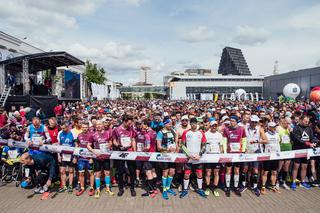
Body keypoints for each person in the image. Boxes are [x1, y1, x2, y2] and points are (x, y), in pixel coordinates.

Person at [180, 117, 207, 198]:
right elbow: (182, 145)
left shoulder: (201, 133)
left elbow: (204, 145)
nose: (193, 125)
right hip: (189, 158)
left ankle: (200, 189)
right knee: (186, 174)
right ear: (190, 124)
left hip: (198, 158)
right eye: (191, 123)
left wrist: (200, 154)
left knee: (199, 174)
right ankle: (185, 189)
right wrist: (188, 154)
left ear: (197, 124)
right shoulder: (186, 132)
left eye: (195, 123)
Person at [241, 115, 267, 196]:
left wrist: (257, 141)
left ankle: (255, 187)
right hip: (246, 150)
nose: (254, 123)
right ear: (250, 121)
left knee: (255, 170)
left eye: (256, 122)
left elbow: (266, 140)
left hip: (256, 150)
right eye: (253, 122)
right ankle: (243, 185)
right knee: (245, 168)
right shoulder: (244, 127)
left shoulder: (260, 129)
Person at [87, 120, 114, 198]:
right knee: (97, 174)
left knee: (107, 173)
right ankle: (98, 189)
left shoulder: (108, 133)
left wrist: (109, 145)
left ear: (103, 125)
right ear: (95, 126)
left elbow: (110, 142)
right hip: (97, 157)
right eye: (97, 125)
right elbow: (88, 145)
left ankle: (108, 188)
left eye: (100, 124)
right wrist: (93, 151)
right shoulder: (93, 135)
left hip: (106, 156)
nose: (98, 126)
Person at [113, 114, 137, 197]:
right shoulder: (116, 129)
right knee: (120, 171)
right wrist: (118, 146)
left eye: (131, 123)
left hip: (130, 152)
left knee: (132, 171)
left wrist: (134, 151)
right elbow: (114, 141)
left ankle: (132, 188)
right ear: (124, 121)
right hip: (121, 152)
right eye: (129, 123)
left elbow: (133, 139)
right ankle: (121, 189)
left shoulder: (131, 129)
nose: (130, 125)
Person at [291, 116, 317, 190]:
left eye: (308, 121)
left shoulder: (309, 128)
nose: (307, 123)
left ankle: (303, 181)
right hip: (298, 150)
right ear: (301, 120)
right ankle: (293, 182)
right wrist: (307, 143)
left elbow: (312, 137)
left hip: (307, 151)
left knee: (304, 166)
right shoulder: (296, 128)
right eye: (305, 121)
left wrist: (314, 142)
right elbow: (297, 139)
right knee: (296, 166)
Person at [222, 115, 246, 197]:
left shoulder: (241, 129)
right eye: (230, 120)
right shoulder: (226, 129)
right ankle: (227, 188)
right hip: (229, 153)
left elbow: (244, 139)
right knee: (228, 170)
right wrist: (225, 152)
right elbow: (224, 141)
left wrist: (243, 150)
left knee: (236, 170)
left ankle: (236, 188)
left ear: (236, 121)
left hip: (238, 153)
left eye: (232, 121)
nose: (231, 122)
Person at [156, 118, 178, 200]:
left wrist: (176, 149)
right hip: (164, 155)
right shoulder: (160, 133)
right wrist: (167, 149)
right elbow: (158, 147)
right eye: (169, 124)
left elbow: (175, 142)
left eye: (171, 124)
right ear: (165, 124)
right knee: (165, 172)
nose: (171, 125)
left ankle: (168, 188)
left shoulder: (172, 131)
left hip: (172, 155)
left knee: (172, 172)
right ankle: (164, 189)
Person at [204, 120, 223, 197]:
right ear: (210, 126)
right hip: (208, 156)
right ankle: (208, 188)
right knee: (208, 173)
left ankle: (215, 188)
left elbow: (221, 146)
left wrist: (221, 156)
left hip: (216, 156)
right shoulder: (206, 134)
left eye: (215, 125)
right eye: (213, 125)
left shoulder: (219, 135)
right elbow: (203, 145)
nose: (214, 127)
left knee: (216, 173)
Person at [261, 122, 281, 194]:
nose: (274, 128)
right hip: (267, 156)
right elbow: (261, 144)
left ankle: (273, 186)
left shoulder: (277, 134)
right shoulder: (265, 134)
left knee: (274, 172)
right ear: (268, 127)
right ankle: (263, 187)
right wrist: (263, 153)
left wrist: (279, 153)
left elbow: (278, 143)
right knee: (265, 172)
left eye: (274, 126)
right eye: (272, 127)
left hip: (275, 156)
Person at [76, 122, 94, 196]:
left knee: (91, 173)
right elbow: (77, 144)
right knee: (81, 173)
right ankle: (82, 187)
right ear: (81, 127)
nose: (84, 128)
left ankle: (91, 187)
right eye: (83, 127)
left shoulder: (91, 135)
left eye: (86, 127)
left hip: (89, 157)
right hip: (81, 158)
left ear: (88, 127)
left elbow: (94, 147)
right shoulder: (79, 135)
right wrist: (76, 156)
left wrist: (92, 157)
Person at [57, 122, 76, 193]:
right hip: (63, 155)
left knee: (71, 171)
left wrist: (75, 157)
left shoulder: (73, 134)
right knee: (62, 171)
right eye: (61, 128)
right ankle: (64, 185)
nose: (62, 129)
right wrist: (58, 155)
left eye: (64, 128)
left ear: (68, 127)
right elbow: (59, 145)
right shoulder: (60, 133)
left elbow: (76, 145)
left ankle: (70, 185)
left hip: (71, 155)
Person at [277, 117, 293, 190]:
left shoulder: (290, 129)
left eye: (290, 123)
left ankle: (283, 182)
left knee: (286, 166)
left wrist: (291, 132)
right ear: (283, 122)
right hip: (281, 149)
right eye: (288, 123)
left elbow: (293, 139)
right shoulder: (278, 128)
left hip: (288, 149)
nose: (289, 125)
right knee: (279, 166)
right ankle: (276, 182)